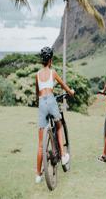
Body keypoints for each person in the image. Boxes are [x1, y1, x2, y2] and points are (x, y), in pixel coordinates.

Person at [35, 47, 75, 183]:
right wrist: (71, 92)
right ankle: (63, 155)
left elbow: (37, 93)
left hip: (41, 103)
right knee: (58, 126)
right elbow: (64, 86)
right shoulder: (53, 72)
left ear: (42, 61)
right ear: (50, 60)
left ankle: (38, 175)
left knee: (41, 144)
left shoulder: (37, 74)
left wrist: (39, 104)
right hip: (51, 101)